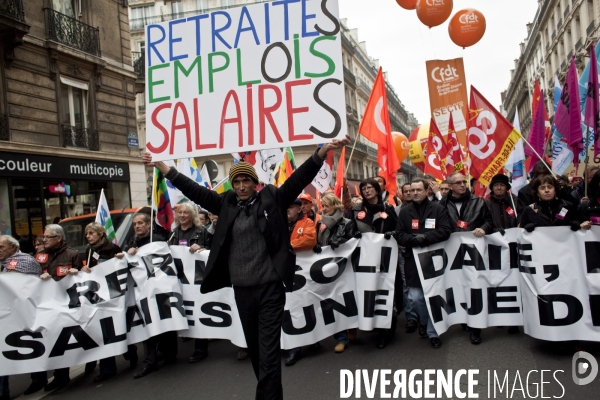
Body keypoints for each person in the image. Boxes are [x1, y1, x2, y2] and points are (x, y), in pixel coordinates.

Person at [142, 136, 349, 400]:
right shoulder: (225, 203)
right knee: (257, 352)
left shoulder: (272, 198)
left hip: (270, 290)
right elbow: (192, 189)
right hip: (242, 291)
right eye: (237, 182)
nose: (241, 186)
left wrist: (323, 151)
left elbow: (299, 177)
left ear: (254, 183)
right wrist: (161, 165)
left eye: (246, 181)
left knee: (269, 355)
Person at [395, 179, 451, 349]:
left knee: (432, 298)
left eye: (419, 189)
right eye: (412, 190)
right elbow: (399, 234)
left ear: (427, 191)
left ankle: (433, 333)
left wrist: (426, 238)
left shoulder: (438, 209)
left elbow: (445, 231)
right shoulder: (405, 212)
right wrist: (413, 240)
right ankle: (425, 322)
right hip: (413, 261)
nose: (415, 193)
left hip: (433, 261)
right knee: (416, 298)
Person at [439, 172, 493, 345]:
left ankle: (475, 328)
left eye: (464, 182)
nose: (463, 185)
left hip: (473, 253)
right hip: (453, 254)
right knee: (457, 287)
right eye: (458, 183)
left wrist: (483, 228)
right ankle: (463, 319)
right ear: (451, 186)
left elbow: (489, 221)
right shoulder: (442, 204)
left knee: (474, 286)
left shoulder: (478, 202)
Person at [81, 222, 138, 382]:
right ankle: (107, 369)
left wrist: (121, 258)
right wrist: (85, 270)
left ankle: (130, 350)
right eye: (87, 234)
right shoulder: (89, 251)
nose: (88, 236)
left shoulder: (113, 248)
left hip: (115, 295)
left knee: (117, 328)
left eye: (91, 233)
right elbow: (89, 270)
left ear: (100, 234)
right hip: (99, 297)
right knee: (104, 332)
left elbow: (123, 267)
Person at [123, 213, 175, 379]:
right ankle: (150, 362)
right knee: (148, 324)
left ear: (148, 225)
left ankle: (169, 353)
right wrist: (126, 254)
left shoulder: (158, 240)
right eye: (135, 224)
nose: (137, 226)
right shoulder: (132, 243)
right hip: (144, 291)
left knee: (166, 319)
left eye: (140, 223)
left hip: (160, 288)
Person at [352, 178, 398, 349]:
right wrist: (354, 235)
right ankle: (373, 326)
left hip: (385, 257)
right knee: (370, 291)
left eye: (370, 188)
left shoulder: (388, 208)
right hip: (365, 259)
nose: (367, 191)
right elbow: (351, 229)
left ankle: (385, 331)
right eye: (364, 188)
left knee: (385, 290)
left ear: (377, 190)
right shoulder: (357, 210)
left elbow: (397, 228)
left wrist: (390, 234)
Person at [0, 235, 47, 397]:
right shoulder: (2, 264)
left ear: (13, 247)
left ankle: (38, 378)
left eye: (1, 247)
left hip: (23, 313)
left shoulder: (25, 261)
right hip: (5, 315)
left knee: (30, 346)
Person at [36, 224, 82, 392]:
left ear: (59, 238)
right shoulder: (40, 256)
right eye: (44, 237)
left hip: (67, 304)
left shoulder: (72, 254)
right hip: (48, 305)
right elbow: (31, 280)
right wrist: (39, 276)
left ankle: (89, 360)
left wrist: (77, 272)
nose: (44, 240)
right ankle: (60, 375)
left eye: (48, 237)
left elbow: (82, 277)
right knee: (54, 339)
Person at [169, 203, 214, 364]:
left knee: (198, 312)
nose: (182, 215)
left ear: (192, 215)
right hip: (180, 279)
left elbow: (211, 252)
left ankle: (201, 349)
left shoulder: (202, 232)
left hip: (196, 280)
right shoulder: (173, 234)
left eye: (186, 213)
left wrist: (201, 248)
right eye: (180, 212)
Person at [312, 193, 358, 353]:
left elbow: (354, 243)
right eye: (322, 206)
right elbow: (317, 241)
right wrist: (316, 246)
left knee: (346, 300)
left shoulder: (348, 223)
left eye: (326, 206)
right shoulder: (320, 223)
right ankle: (341, 338)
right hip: (326, 269)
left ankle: (352, 325)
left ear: (336, 206)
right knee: (330, 302)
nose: (323, 209)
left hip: (344, 269)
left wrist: (342, 242)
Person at [285, 198, 317, 366]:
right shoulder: (278, 223)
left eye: (290, 206)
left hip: (303, 274)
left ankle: (312, 339)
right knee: (288, 309)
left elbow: (309, 240)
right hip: (284, 274)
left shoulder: (308, 222)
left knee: (305, 305)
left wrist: (287, 245)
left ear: (298, 209)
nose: (287, 210)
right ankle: (293, 347)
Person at [520, 175, 588, 231]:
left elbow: (579, 225)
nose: (546, 190)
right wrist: (525, 228)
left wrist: (577, 224)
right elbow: (521, 233)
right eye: (542, 188)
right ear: (537, 193)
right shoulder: (529, 210)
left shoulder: (567, 206)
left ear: (555, 190)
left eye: (550, 187)